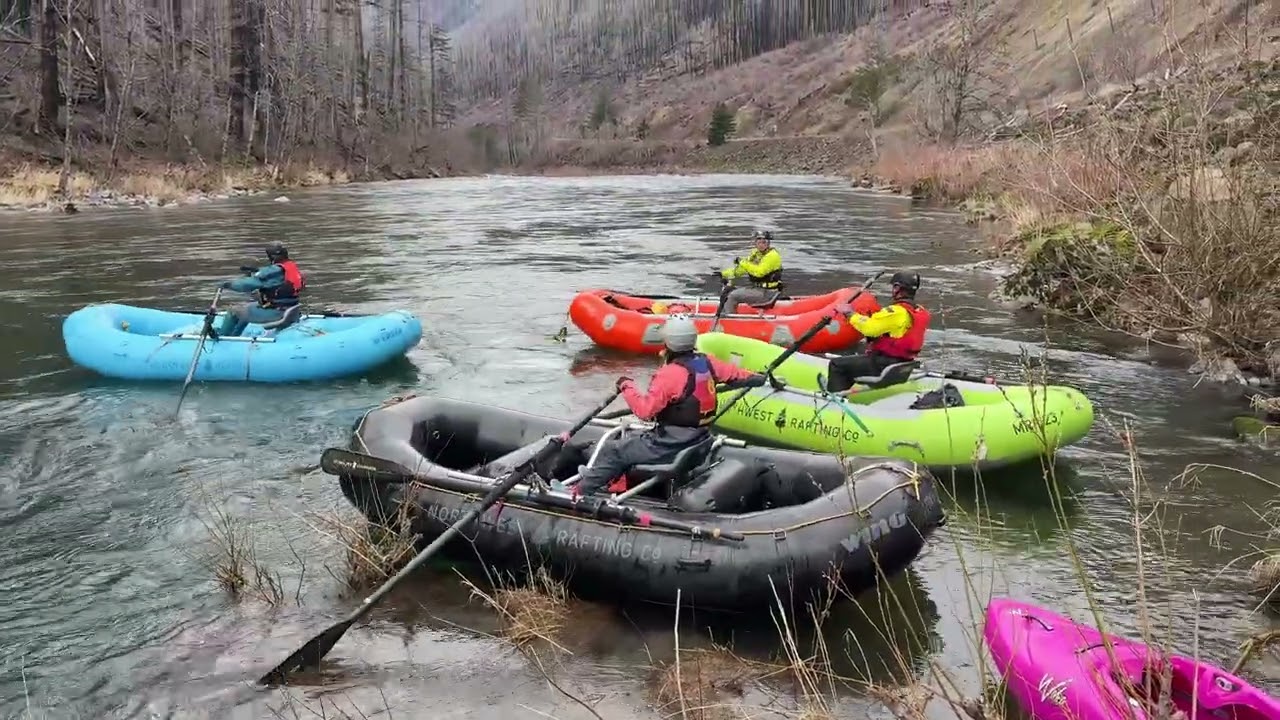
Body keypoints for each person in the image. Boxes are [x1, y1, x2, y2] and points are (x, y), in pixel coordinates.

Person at [560, 314, 785, 498]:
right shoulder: (707, 362)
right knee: (629, 439)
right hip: (700, 437)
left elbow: (645, 411)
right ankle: (616, 484)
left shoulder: (670, 374)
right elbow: (739, 376)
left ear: (668, 343)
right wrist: (763, 378)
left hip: (670, 444)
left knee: (614, 449)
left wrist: (626, 386)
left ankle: (577, 493)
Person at [825, 270, 931, 392]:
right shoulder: (920, 311)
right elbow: (888, 326)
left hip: (883, 365)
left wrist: (849, 313)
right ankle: (846, 389)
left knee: (836, 365)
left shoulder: (896, 312)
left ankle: (834, 397)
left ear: (897, 288)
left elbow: (870, 329)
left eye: (894, 287)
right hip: (904, 364)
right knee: (854, 361)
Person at [214, 242, 306, 337]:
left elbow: (246, 286)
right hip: (292, 309)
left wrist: (228, 285)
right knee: (246, 307)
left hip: (276, 312)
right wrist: (257, 271)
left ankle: (222, 336)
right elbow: (273, 275)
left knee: (233, 311)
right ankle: (234, 335)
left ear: (271, 257)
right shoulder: (290, 267)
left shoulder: (272, 273)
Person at [711, 229, 783, 330]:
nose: (761, 245)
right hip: (758, 289)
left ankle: (732, 325)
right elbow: (740, 270)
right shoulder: (755, 254)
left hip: (768, 292)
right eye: (758, 242)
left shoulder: (772, 256)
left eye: (764, 242)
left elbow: (759, 272)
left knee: (731, 296)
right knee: (731, 290)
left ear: (768, 243)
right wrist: (723, 274)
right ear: (755, 243)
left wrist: (742, 262)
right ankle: (730, 316)